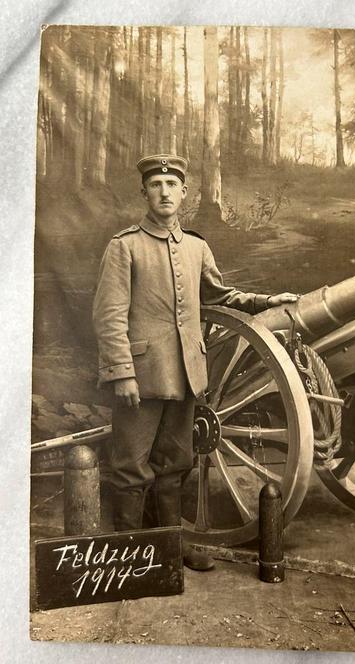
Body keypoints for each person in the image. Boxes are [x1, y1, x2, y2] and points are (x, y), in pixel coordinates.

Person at [93, 154, 297, 571]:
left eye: (172, 185)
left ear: (185, 193)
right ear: (144, 192)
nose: (164, 192)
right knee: (131, 468)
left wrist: (265, 301)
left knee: (175, 466)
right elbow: (108, 315)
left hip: (187, 374)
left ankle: (171, 546)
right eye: (156, 185)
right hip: (143, 376)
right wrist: (122, 373)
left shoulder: (197, 247)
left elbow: (219, 296)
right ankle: (130, 555)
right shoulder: (124, 246)